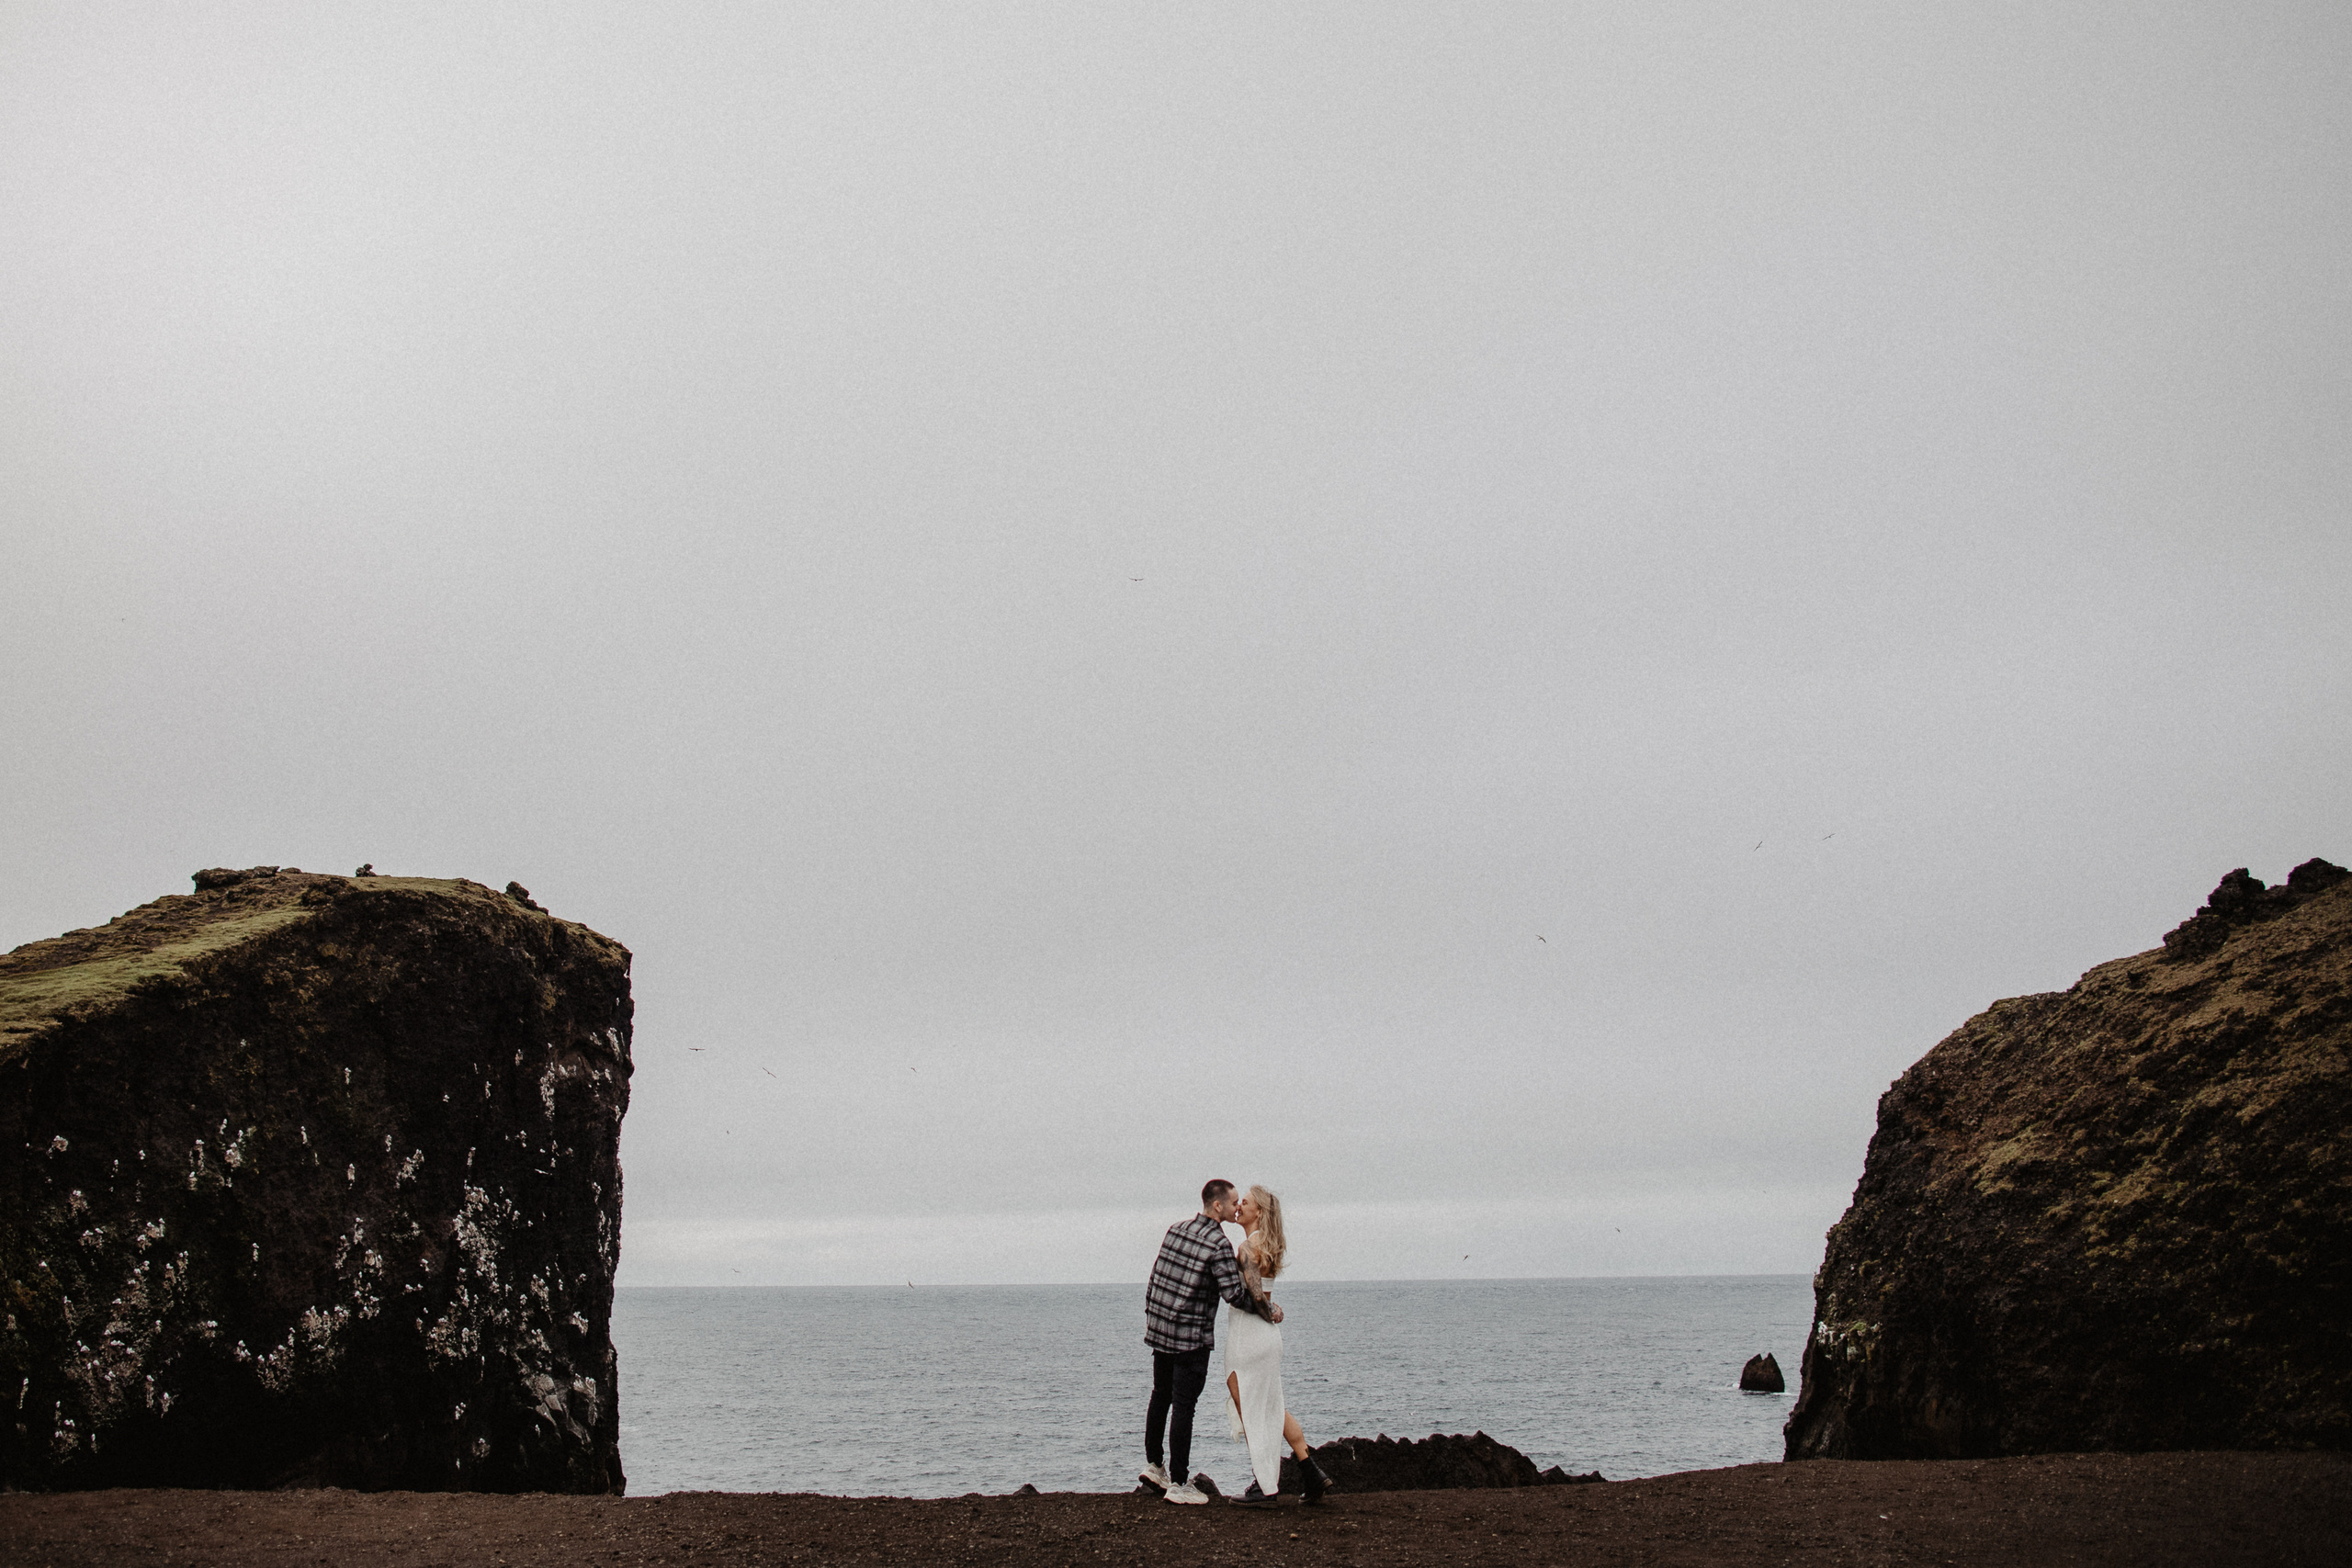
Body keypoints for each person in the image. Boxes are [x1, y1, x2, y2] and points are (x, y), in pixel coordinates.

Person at [1142, 1179, 1281, 1505]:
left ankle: (1153, 1466)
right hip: (1191, 1338)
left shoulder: (1176, 1229)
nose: (1237, 1208)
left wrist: (1154, 1318)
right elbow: (1234, 1293)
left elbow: (1156, 1278)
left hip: (1160, 1331)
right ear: (1217, 1205)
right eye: (1234, 1203)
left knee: (1160, 1396)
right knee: (1184, 1407)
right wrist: (1269, 1308)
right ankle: (1178, 1483)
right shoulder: (1218, 1244)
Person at [1222, 1184, 1331, 1505]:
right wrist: (1273, 1309)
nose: (1239, 1206)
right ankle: (1311, 1472)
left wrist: (1270, 1311)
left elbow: (1256, 1297)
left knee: (1253, 1410)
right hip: (1268, 1339)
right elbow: (1265, 1295)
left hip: (1248, 1335)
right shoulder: (1269, 1246)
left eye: (1246, 1202)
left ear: (1259, 1212)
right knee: (1272, 1406)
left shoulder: (1245, 1248)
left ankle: (1264, 1485)